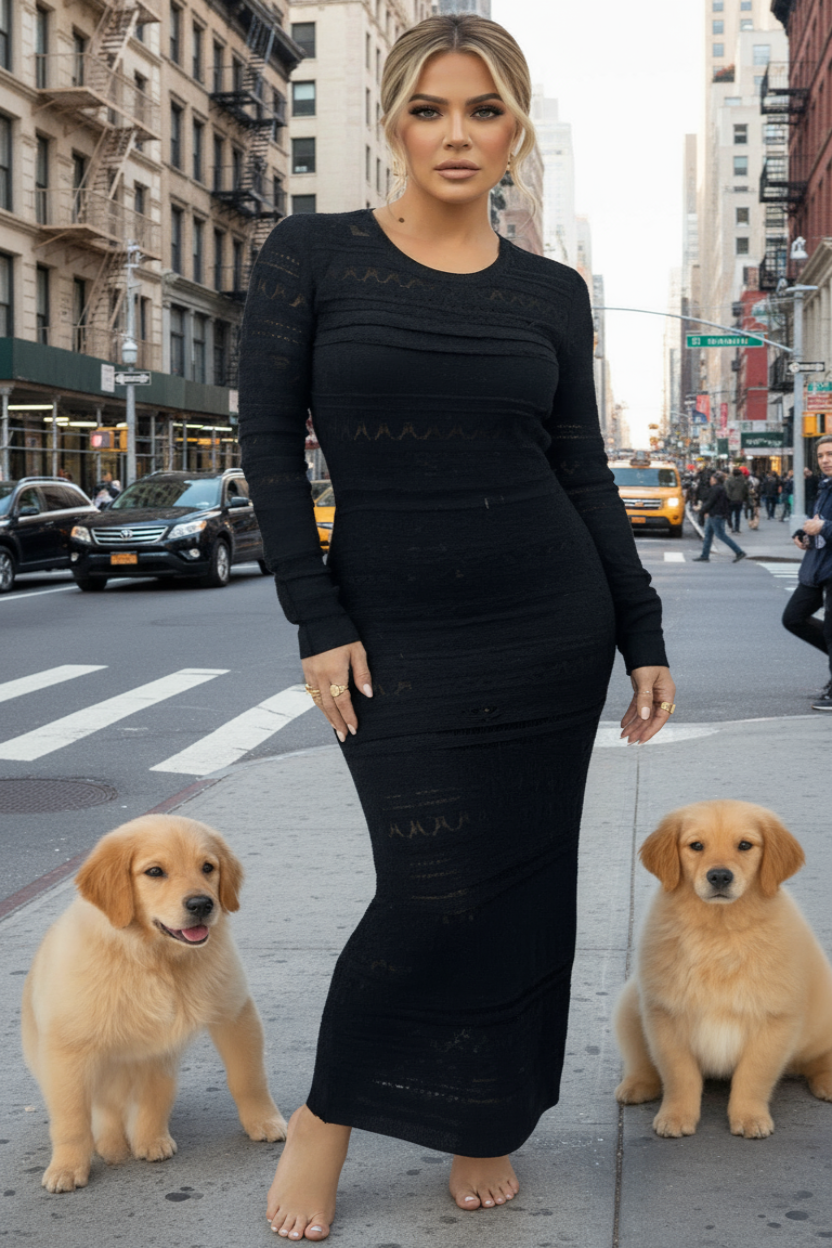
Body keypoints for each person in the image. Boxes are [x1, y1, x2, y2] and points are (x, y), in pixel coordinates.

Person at [237, 14, 675, 1242]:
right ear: (390, 121)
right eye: (428, 109)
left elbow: (581, 468)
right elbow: (268, 445)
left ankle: (487, 1113)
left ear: (515, 129)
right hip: (392, 634)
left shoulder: (552, 292)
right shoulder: (312, 254)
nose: (455, 134)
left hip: (549, 626)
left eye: (484, 110)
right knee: (429, 890)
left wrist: (640, 632)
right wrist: (314, 614)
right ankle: (328, 1115)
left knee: (524, 890)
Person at [783, 435, 832, 711]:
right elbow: (817, 522)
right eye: (821, 455)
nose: (825, 460)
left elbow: (824, 525)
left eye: (830, 454)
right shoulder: (825, 487)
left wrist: (823, 528)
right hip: (817, 566)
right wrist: (802, 533)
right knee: (793, 617)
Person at [692, 471, 747, 562]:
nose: (710, 480)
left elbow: (710, 502)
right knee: (708, 535)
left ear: (715, 479)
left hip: (716, 514)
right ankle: (704, 555)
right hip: (715, 514)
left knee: (720, 534)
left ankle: (739, 552)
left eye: (711, 478)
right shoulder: (721, 488)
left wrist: (701, 510)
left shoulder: (716, 489)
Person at [724, 466, 748, 534]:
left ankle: (731, 526)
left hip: (731, 500)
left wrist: (729, 497)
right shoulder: (743, 481)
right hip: (740, 500)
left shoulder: (729, 480)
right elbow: (745, 490)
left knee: (729, 514)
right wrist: (744, 498)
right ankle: (737, 528)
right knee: (738, 515)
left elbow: (727, 490)